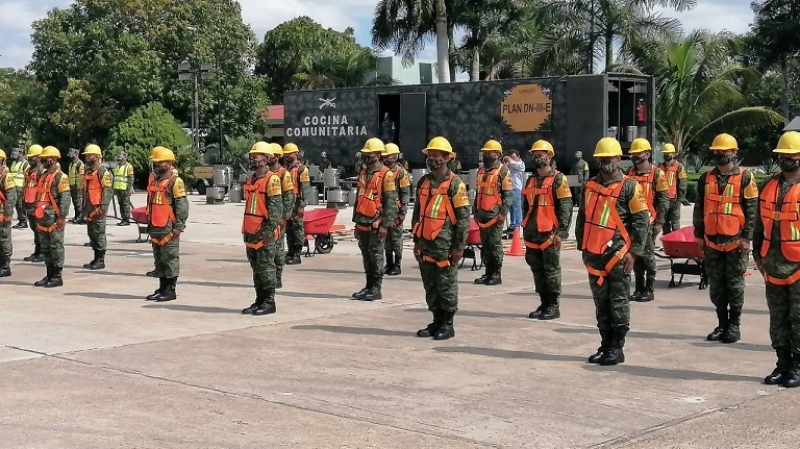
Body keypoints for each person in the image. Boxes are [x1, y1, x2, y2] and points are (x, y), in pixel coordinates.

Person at [576, 137, 649, 365]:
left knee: (618, 302)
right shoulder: (589, 186)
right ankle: (604, 344)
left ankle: (617, 348)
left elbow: (641, 221)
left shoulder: (630, 186)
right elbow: (582, 219)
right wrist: (582, 246)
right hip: (594, 255)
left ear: (619, 159)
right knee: (601, 304)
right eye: (601, 158)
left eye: (609, 158)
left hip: (618, 256)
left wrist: (634, 252)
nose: (605, 161)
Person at [693, 133, 758, 344]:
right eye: (718, 151)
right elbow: (699, 208)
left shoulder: (745, 177)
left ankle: (734, 325)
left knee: (735, 285)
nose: (722, 154)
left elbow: (752, 210)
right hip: (712, 241)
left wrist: (747, 238)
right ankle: (721, 324)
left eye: (726, 151)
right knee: (717, 286)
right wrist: (699, 235)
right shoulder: (706, 178)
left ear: (734, 152)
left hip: (735, 242)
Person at [754, 131, 800, 388]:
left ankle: (797, 366)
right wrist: (757, 252)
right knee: (778, 319)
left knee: (799, 318)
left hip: (798, 265)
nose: (785, 159)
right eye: (782, 155)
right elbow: (761, 223)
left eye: (790, 155)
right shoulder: (769, 185)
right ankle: (782, 363)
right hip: (773, 264)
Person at [412, 136, 470, 340]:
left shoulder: (455, 184)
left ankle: (447, 323)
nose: (432, 160)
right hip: (426, 243)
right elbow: (418, 213)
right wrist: (416, 240)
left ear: (447, 158)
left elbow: (463, 219)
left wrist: (459, 247)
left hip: (445, 245)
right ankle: (436, 320)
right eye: (430, 156)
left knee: (446, 285)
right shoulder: (423, 182)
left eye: (436, 156)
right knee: (430, 285)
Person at [522, 140, 573, 320]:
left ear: (550, 156)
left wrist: (562, 232)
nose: (537, 158)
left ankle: (553, 305)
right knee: (537, 270)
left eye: (540, 154)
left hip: (549, 234)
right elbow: (525, 205)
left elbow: (565, 207)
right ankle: (543, 302)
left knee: (551, 270)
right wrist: (524, 226)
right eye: (535, 155)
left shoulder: (559, 179)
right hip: (532, 233)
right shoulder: (531, 179)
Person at [351, 137, 398, 301]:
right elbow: (359, 198)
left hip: (376, 223)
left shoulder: (387, 175)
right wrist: (355, 222)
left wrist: (385, 225)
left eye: (368, 154)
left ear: (377, 155)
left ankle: (376, 289)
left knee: (376, 256)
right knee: (366, 256)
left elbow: (391, 203)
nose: (365, 156)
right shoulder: (363, 173)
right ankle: (368, 285)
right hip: (362, 222)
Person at [241, 142, 284, 315]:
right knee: (256, 270)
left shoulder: (271, 179)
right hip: (251, 231)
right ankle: (259, 300)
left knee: (266, 269)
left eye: (257, 156)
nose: (253, 158)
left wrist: (267, 232)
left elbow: (276, 210)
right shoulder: (252, 178)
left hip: (264, 233)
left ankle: (269, 302)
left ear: (266, 159)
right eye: (252, 156)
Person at [626, 138, 669, 302]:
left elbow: (664, 199)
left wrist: (660, 222)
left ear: (648, 154)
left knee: (648, 256)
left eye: (639, 153)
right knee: (636, 255)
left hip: (649, 221)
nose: (636, 156)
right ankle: (638, 288)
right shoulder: (629, 172)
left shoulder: (657, 173)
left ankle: (649, 289)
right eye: (634, 153)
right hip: (632, 223)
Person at [144, 146, 189, 302]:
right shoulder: (154, 179)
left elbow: (182, 206)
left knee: (170, 259)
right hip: (155, 226)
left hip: (169, 227)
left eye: (160, 162)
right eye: (155, 162)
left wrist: (179, 227)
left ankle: (170, 290)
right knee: (159, 260)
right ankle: (162, 287)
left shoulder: (175, 182)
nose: (157, 165)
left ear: (169, 163)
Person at [473, 139, 513, 285]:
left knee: (494, 245)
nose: (486, 155)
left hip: (495, 216)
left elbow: (508, 195)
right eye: (485, 153)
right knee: (485, 245)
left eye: (489, 152)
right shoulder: (481, 171)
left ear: (497, 154)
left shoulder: (503, 171)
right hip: (482, 214)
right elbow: (478, 192)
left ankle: (496, 274)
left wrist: (503, 213)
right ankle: (487, 272)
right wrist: (475, 211)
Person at [32, 146, 71, 288]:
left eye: (45, 158)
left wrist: (62, 217)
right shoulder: (43, 176)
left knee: (56, 247)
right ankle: (49, 274)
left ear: (53, 159)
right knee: (46, 248)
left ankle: (57, 276)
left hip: (55, 219)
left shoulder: (61, 177)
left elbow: (66, 198)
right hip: (43, 219)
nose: (43, 160)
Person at [80, 144, 113, 270]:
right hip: (89, 208)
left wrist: (103, 207)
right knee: (91, 233)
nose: (87, 157)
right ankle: (95, 257)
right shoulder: (88, 171)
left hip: (98, 208)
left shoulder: (102, 172)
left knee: (99, 233)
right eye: (86, 155)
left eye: (90, 155)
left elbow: (107, 190)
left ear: (97, 156)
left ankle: (100, 259)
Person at [382, 143, 411, 275]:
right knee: (386, 238)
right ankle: (389, 263)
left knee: (396, 238)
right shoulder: (382, 171)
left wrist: (403, 212)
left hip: (396, 210)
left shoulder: (401, 173)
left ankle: (397, 265)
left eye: (389, 156)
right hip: (384, 210)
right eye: (385, 156)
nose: (387, 158)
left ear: (395, 157)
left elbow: (405, 193)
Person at [268, 143, 295, 289]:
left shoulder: (284, 174)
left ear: (277, 157)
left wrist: (284, 217)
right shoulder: (265, 174)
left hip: (278, 219)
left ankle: (277, 277)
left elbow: (289, 197)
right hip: (266, 219)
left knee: (278, 249)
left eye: (270, 156)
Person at [282, 142, 312, 265]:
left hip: (296, 203)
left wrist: (301, 205)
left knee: (297, 229)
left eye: (288, 154)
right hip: (287, 204)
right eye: (285, 154)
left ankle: (297, 253)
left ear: (295, 155)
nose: (286, 156)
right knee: (289, 229)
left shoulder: (302, 170)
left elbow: (305, 189)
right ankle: (290, 251)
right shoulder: (285, 169)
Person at [658, 144, 687, 234]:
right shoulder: (659, 168)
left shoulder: (679, 167)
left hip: (674, 200)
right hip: (663, 200)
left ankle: (676, 244)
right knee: (665, 223)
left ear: (674, 154)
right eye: (665, 153)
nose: (666, 155)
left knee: (675, 223)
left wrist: (680, 200)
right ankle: (667, 244)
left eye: (669, 153)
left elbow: (682, 184)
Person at [22, 145, 44, 262]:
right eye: (29, 157)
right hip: (29, 204)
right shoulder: (29, 170)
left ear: (39, 157)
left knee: (40, 229)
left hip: (37, 205)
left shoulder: (42, 171)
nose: (30, 159)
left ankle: (42, 252)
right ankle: (37, 251)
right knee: (35, 229)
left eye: (33, 157)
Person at [0, 148, 17, 277]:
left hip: (2, 214)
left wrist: (8, 213)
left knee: (4, 239)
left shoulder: (7, 176)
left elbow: (11, 197)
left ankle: (5, 267)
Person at [504, 149, 526, 232]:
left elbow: (518, 166)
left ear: (518, 157)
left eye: (513, 157)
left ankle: (517, 224)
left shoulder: (520, 164)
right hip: (508, 187)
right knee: (511, 208)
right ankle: (512, 224)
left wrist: (510, 160)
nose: (512, 159)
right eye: (511, 158)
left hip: (516, 188)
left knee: (517, 207)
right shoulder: (509, 164)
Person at [113, 152, 135, 226]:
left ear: (125, 158)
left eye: (121, 158)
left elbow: (131, 179)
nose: (120, 160)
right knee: (120, 204)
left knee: (125, 204)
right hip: (118, 188)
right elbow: (115, 177)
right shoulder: (117, 166)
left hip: (125, 188)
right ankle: (123, 218)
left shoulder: (128, 166)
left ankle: (126, 219)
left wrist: (128, 189)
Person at [10, 148, 30, 229]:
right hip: (13, 187)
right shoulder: (14, 162)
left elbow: (28, 177)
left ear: (20, 153)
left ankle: (24, 221)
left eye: (16, 153)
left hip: (21, 188)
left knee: (21, 205)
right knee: (16, 205)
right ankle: (21, 220)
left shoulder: (25, 164)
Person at [67, 148, 85, 224]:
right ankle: (76, 216)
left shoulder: (79, 164)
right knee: (75, 202)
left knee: (78, 202)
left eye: (73, 155)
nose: (71, 157)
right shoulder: (72, 164)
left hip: (77, 186)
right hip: (72, 185)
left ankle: (80, 217)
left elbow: (81, 176)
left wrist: (79, 186)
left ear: (77, 154)